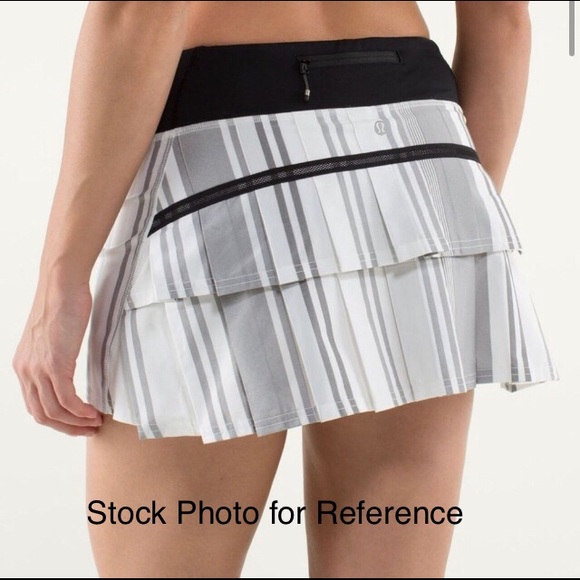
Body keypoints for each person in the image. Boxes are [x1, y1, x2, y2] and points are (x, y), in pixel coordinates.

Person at [13, 2, 558, 577]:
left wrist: (60, 282)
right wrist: (450, 229)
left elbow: (139, 13)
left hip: (223, 151)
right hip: (422, 153)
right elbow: (504, 17)